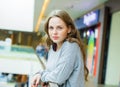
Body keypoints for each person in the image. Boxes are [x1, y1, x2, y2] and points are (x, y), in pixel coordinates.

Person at [31, 10, 89, 87]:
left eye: (59, 28)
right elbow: (51, 72)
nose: (54, 32)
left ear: (69, 29)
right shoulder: (53, 46)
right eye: (51, 28)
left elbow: (58, 77)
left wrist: (42, 76)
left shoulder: (71, 46)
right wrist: (43, 76)